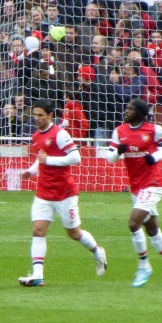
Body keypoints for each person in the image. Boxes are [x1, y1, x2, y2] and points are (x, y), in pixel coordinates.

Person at [18, 99, 107, 287]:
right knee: (38, 230)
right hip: (43, 192)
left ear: (51, 116)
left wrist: (48, 160)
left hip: (64, 193)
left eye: (41, 115)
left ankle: (97, 252)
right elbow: (41, 159)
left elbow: (76, 157)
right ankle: (38, 275)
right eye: (35, 115)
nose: (37, 118)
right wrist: (31, 171)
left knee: (74, 233)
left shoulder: (60, 134)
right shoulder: (36, 136)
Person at [106, 98, 162, 287]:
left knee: (133, 223)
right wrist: (117, 152)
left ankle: (144, 265)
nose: (126, 110)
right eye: (127, 107)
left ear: (140, 113)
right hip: (136, 187)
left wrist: (155, 157)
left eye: (131, 108)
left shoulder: (153, 130)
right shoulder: (119, 132)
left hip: (153, 184)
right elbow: (110, 159)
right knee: (152, 228)